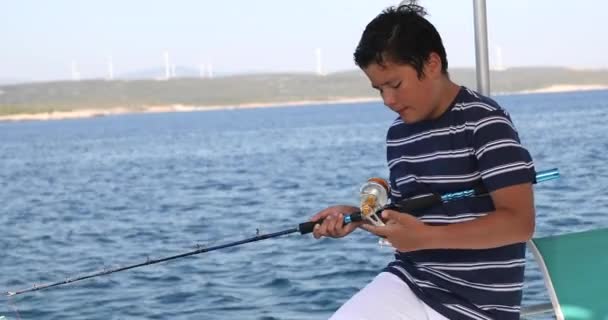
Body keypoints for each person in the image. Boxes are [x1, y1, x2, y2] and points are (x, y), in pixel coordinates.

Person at [310, 3, 536, 320]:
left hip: (477, 307)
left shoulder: (485, 122)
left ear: (431, 63)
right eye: (379, 89)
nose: (388, 100)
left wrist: (425, 237)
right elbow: (404, 215)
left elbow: (519, 223)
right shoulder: (398, 134)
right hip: (411, 280)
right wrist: (358, 217)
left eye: (395, 85)